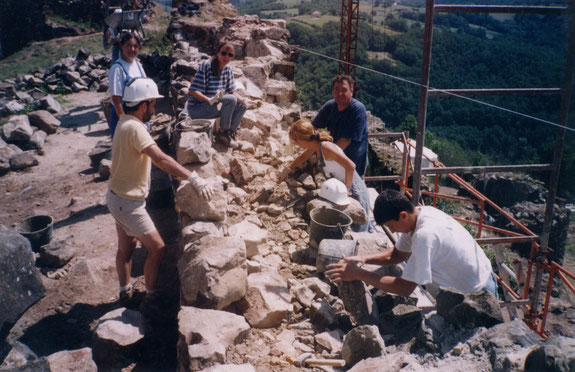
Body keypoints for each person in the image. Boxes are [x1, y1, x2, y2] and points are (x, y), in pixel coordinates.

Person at [106, 77, 214, 312]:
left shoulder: (122, 122)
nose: (154, 109)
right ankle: (150, 299)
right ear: (144, 105)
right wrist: (192, 177)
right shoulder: (136, 128)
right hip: (128, 202)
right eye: (153, 104)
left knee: (126, 249)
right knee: (158, 248)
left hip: (116, 197)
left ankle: (125, 294)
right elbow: (161, 158)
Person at [326, 189, 498, 298]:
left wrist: (358, 274)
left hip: (478, 292)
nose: (392, 231)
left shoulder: (425, 236)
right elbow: (398, 254)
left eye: (391, 226)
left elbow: (405, 288)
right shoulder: (422, 214)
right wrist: (363, 259)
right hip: (481, 275)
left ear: (403, 215)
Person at [281, 119, 372, 232]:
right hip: (344, 186)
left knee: (359, 227)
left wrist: (347, 189)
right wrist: (288, 168)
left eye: (296, 142)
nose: (296, 144)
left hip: (353, 188)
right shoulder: (316, 146)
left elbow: (351, 166)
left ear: (300, 139)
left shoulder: (326, 148)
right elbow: (303, 157)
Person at [187, 43, 246, 147]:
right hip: (198, 108)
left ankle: (230, 133)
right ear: (218, 53)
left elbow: (232, 90)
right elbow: (192, 90)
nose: (226, 57)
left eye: (230, 55)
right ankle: (222, 134)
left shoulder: (227, 70)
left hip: (212, 105)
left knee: (242, 105)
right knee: (231, 100)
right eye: (224, 53)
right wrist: (208, 99)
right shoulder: (207, 66)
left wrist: (242, 100)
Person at [312, 75, 369, 176]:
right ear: (332, 91)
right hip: (335, 160)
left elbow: (345, 140)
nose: (340, 93)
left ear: (351, 92)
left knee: (352, 191)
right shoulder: (330, 106)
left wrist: (324, 156)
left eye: (344, 90)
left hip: (353, 166)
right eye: (336, 89)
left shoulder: (358, 110)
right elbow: (312, 127)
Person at [107, 31, 146, 138]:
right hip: (123, 114)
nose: (132, 49)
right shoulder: (117, 68)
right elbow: (116, 98)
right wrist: (124, 121)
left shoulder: (138, 65)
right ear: (121, 46)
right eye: (128, 45)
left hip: (139, 113)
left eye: (135, 46)